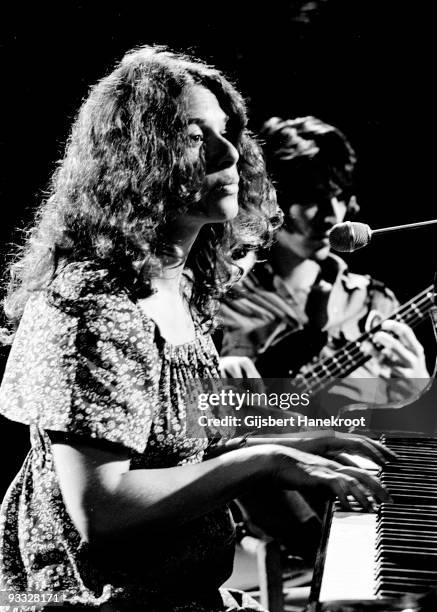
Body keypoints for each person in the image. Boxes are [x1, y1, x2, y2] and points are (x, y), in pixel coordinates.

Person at [0, 49, 394, 611]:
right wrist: (259, 463)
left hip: (183, 593)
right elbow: (103, 511)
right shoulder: (93, 302)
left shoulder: (177, 289)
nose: (229, 152)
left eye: (228, 132)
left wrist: (282, 444)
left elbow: (179, 457)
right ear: (134, 160)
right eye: (192, 137)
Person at [218, 115, 429, 562]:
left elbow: (396, 428)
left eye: (338, 197)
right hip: (280, 514)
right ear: (271, 201)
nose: (330, 216)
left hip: (373, 503)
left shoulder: (375, 301)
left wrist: (416, 389)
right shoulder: (227, 299)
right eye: (312, 199)